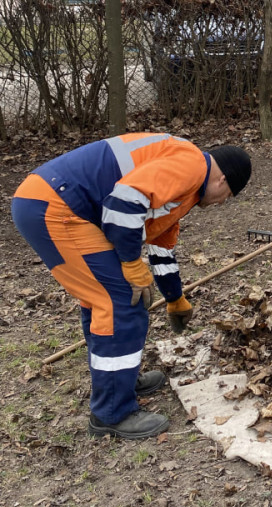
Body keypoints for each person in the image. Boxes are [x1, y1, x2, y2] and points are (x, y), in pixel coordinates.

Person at [11, 134, 252, 440]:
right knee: (119, 301)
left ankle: (119, 381)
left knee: (107, 298)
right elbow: (123, 201)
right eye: (229, 195)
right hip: (56, 206)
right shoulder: (191, 166)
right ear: (222, 180)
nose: (222, 203)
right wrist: (129, 262)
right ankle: (112, 412)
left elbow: (161, 250)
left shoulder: (185, 190)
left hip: (55, 201)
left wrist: (175, 298)